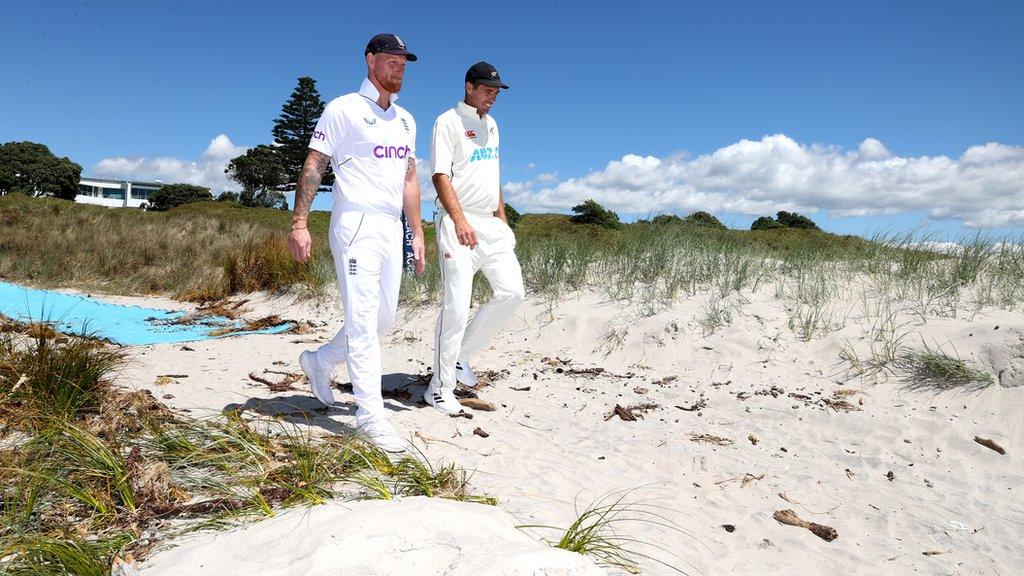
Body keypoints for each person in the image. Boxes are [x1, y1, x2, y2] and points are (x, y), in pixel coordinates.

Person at [288, 33, 425, 452]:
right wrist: (299, 223)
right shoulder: (344, 108)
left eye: (404, 61)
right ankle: (371, 416)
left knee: (382, 321)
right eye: (392, 59)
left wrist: (417, 231)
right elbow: (315, 163)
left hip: (389, 224)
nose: (399, 67)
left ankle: (320, 360)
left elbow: (408, 178)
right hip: (355, 222)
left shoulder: (406, 120)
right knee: (363, 322)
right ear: (370, 60)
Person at [425, 61, 525, 415]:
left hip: (492, 226)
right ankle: (439, 389)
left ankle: (460, 355)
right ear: (469, 87)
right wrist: (460, 219)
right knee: (456, 304)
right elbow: (439, 176)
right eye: (487, 90)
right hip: (458, 224)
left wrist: (503, 217)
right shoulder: (447, 122)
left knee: (513, 292)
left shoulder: (493, 125)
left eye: (496, 91)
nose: (492, 97)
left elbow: (493, 173)